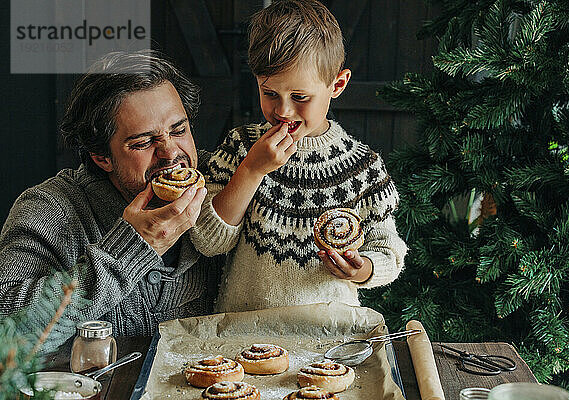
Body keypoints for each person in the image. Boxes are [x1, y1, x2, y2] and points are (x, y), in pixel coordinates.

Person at [189, 0, 407, 312]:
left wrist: (361, 269)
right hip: (246, 330)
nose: (283, 111)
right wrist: (251, 170)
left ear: (338, 84)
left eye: (300, 97)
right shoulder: (240, 148)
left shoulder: (363, 168)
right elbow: (210, 242)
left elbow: (388, 251)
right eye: (270, 93)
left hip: (329, 337)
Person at [0, 50, 219, 338]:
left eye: (179, 130)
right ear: (101, 156)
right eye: (143, 142)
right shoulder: (48, 210)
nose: (171, 153)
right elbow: (8, 331)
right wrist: (133, 249)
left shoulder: (222, 179)